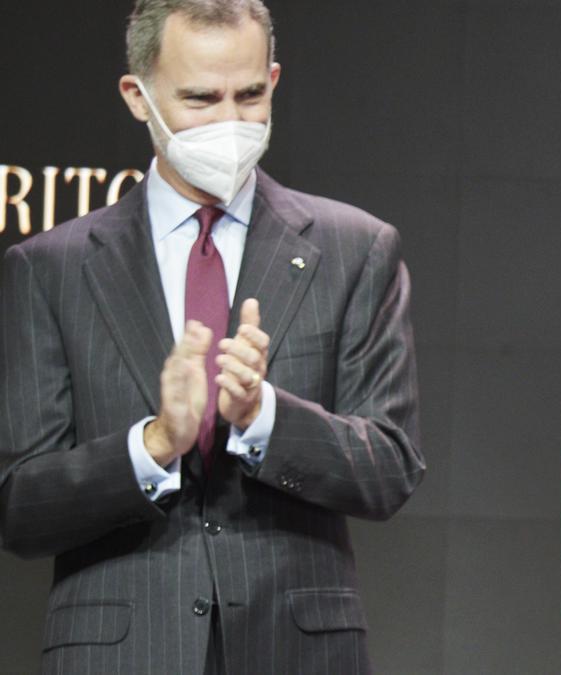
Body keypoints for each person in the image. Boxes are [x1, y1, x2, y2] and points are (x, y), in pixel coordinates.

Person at [0, 1, 424, 673]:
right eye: (200, 99)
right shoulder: (52, 269)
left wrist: (265, 418)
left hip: (297, 651)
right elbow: (20, 504)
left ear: (275, 81)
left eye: (250, 94)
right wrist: (153, 444)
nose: (230, 122)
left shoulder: (356, 250)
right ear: (138, 97)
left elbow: (390, 467)